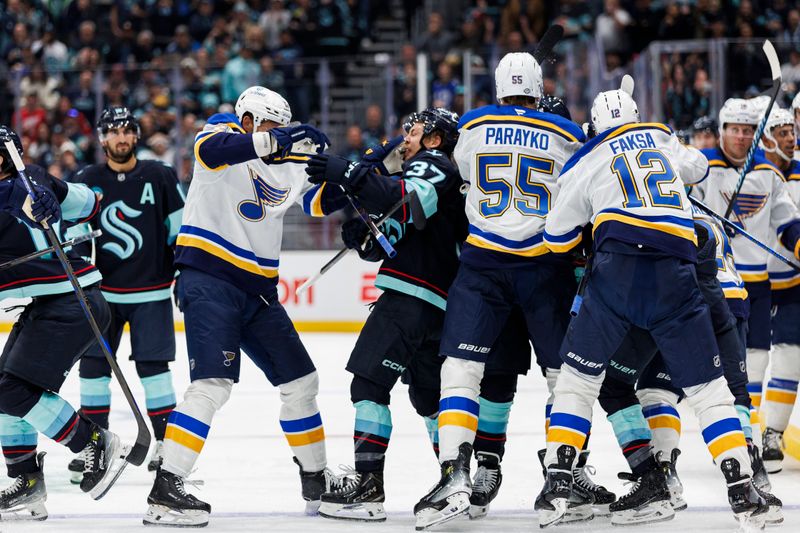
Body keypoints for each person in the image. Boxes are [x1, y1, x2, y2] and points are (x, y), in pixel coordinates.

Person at [538, 80, 771, 529]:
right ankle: (742, 487)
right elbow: (700, 167)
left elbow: (555, 238)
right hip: (677, 273)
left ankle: (558, 479)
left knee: (579, 378)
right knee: (708, 389)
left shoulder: (587, 157)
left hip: (618, 272)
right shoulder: (662, 136)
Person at [143, 86, 346, 528]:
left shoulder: (286, 165)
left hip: (258, 292)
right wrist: (283, 142)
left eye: (283, 127)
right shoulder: (221, 134)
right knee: (212, 385)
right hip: (210, 279)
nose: (280, 135)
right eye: (271, 126)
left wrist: (354, 175)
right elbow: (214, 149)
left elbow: (317, 202)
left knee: (301, 382)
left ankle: (316, 480)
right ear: (250, 121)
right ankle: (167, 486)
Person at [411, 52, 586, 531]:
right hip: (545, 264)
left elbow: (468, 173)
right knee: (563, 376)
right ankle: (564, 471)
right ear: (538, 85)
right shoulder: (563, 132)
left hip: (484, 263)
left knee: (461, 369)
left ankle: (454, 473)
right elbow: (579, 185)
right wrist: (553, 120)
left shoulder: (472, 124)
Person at [303, 108, 466, 522]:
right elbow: (397, 233)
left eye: (412, 132)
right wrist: (366, 237)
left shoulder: (435, 164)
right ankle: (455, 478)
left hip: (411, 298)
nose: (404, 139)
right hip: (434, 303)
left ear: (433, 139)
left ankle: (368, 487)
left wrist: (349, 171)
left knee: (369, 384)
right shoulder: (425, 173)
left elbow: (404, 203)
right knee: (428, 398)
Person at [0, 125, 130, 520]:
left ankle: (91, 440)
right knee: (6, 390)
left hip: (72, 303)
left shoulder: (25, 183)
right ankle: (25, 480)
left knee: (10, 389)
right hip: (56, 302)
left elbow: (81, 201)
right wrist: (49, 193)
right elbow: (90, 202)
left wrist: (41, 195)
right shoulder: (31, 178)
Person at [63, 106, 185, 483]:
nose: (120, 137)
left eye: (127, 130)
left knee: (154, 371)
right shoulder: (87, 179)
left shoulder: (160, 176)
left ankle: (165, 444)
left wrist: (183, 272)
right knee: (94, 369)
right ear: (101, 139)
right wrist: (82, 278)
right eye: (113, 131)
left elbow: (179, 229)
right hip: (104, 296)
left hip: (151, 293)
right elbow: (74, 235)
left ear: (136, 136)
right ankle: (94, 444)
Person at [690, 98, 800, 451]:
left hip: (756, 283)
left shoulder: (767, 172)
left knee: (756, 358)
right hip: (713, 282)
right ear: (722, 131)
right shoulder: (701, 168)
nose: (740, 137)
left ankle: (747, 435)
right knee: (713, 365)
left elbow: (788, 223)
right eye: (734, 129)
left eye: (747, 130)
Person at [758, 107, 800, 474]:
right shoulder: (748, 171)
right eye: (782, 131)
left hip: (790, 283)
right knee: (749, 363)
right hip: (749, 281)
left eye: (792, 130)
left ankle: (772, 431)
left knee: (789, 354)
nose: (790, 137)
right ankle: (740, 430)